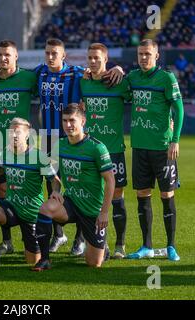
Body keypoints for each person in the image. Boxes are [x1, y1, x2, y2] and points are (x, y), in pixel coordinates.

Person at [34, 38, 124, 255]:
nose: (50, 56)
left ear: (63, 55)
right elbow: (14, 72)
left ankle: (80, 238)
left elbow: (99, 70)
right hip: (48, 136)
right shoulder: (39, 72)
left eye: (55, 53)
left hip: (71, 136)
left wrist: (118, 68)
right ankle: (58, 235)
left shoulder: (76, 73)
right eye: (47, 53)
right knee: (51, 183)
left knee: (81, 181)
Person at [33, 103, 115, 270]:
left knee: (94, 263)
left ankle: (101, 246)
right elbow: (52, 173)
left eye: (72, 120)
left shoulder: (97, 148)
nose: (68, 125)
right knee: (46, 208)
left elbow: (110, 181)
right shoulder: (60, 144)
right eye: (65, 121)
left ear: (83, 121)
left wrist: (104, 212)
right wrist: (56, 190)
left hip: (92, 210)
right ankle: (45, 259)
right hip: (70, 203)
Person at [126, 39, 184, 261]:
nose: (143, 58)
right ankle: (146, 246)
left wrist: (175, 140)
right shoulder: (132, 78)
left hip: (163, 148)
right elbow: (118, 87)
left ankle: (171, 246)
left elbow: (178, 109)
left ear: (156, 56)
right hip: (140, 147)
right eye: (140, 54)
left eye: (147, 54)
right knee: (142, 194)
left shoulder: (166, 78)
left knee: (166, 194)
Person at [0, 117, 59, 268]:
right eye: (11, 132)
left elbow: (54, 179)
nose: (14, 136)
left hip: (32, 213)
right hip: (12, 207)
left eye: (18, 132)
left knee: (32, 260)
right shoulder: (4, 154)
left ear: (27, 135)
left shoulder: (38, 156)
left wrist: (56, 192)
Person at [0, 39, 38, 256]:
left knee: (32, 188)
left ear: (16, 56)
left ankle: (53, 233)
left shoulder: (29, 77)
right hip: (0, 144)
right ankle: (7, 241)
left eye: (7, 54)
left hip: (25, 144)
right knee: (2, 191)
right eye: (0, 55)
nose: (3, 58)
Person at [80, 43, 132, 259]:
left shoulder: (119, 82)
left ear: (106, 59)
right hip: (90, 151)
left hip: (113, 150)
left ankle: (120, 244)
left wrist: (121, 70)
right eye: (90, 58)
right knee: (93, 197)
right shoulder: (83, 82)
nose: (93, 62)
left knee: (117, 195)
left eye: (97, 58)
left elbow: (144, 98)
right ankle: (101, 243)